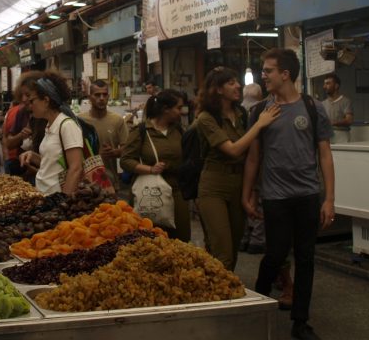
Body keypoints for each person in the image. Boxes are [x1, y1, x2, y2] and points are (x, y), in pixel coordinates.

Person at [243, 48, 335, 340]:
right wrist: (248, 195)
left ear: (285, 74)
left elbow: (324, 154)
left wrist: (329, 198)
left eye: (268, 70)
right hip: (275, 196)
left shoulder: (312, 107)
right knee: (275, 254)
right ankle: (257, 305)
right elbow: (254, 159)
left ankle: (301, 320)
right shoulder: (259, 112)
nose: (263, 75)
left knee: (306, 257)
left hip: (307, 194)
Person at [194, 68, 280, 270]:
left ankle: (223, 291)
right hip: (213, 185)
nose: (238, 86)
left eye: (236, 81)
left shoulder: (241, 114)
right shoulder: (206, 118)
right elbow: (232, 150)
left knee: (233, 250)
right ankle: (218, 297)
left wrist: (251, 191)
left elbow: (252, 154)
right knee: (222, 251)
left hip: (239, 183)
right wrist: (259, 125)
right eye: (231, 83)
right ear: (218, 90)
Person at [120, 90, 189, 241]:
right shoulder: (142, 131)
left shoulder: (178, 130)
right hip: (149, 192)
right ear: (166, 109)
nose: (181, 112)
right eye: (178, 108)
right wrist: (150, 169)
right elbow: (125, 160)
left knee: (181, 239)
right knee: (150, 239)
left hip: (176, 191)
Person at [19, 73, 84, 196]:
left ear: (46, 101)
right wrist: (33, 156)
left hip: (56, 197)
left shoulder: (66, 126)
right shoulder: (50, 125)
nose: (30, 105)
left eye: (32, 100)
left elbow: (75, 168)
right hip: (45, 195)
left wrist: (63, 202)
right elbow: (53, 164)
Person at [79, 79, 129, 190]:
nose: (101, 98)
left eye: (104, 95)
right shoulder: (80, 121)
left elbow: (127, 148)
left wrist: (115, 152)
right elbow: (74, 153)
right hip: (85, 183)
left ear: (108, 96)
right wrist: (96, 157)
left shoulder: (117, 120)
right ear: (89, 97)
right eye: (97, 95)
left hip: (110, 181)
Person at [239, 83, 267, 255]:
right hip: (259, 160)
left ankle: (243, 238)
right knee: (258, 200)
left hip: (240, 162)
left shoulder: (237, 111)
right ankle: (257, 240)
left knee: (245, 199)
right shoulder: (262, 110)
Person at [322, 73, 353, 143]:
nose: (324, 86)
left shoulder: (345, 101)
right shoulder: (322, 104)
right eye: (324, 84)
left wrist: (333, 123)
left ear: (336, 86)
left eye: (328, 83)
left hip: (342, 135)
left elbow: (349, 120)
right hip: (327, 135)